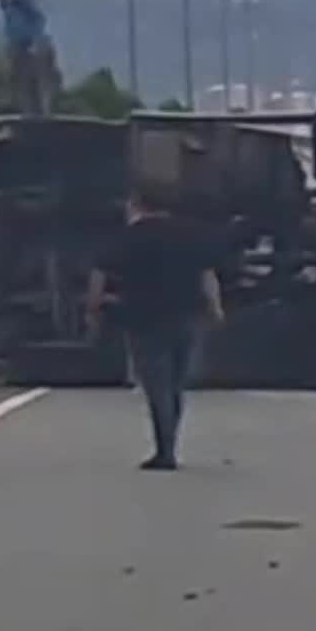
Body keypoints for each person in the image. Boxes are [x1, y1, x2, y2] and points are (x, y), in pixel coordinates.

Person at [86, 190, 226, 471]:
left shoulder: (129, 237)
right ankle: (170, 440)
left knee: (157, 384)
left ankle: (165, 449)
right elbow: (207, 273)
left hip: (144, 318)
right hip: (186, 314)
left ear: (135, 206)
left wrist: (93, 308)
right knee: (176, 382)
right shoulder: (190, 234)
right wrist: (216, 307)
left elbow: (100, 271)